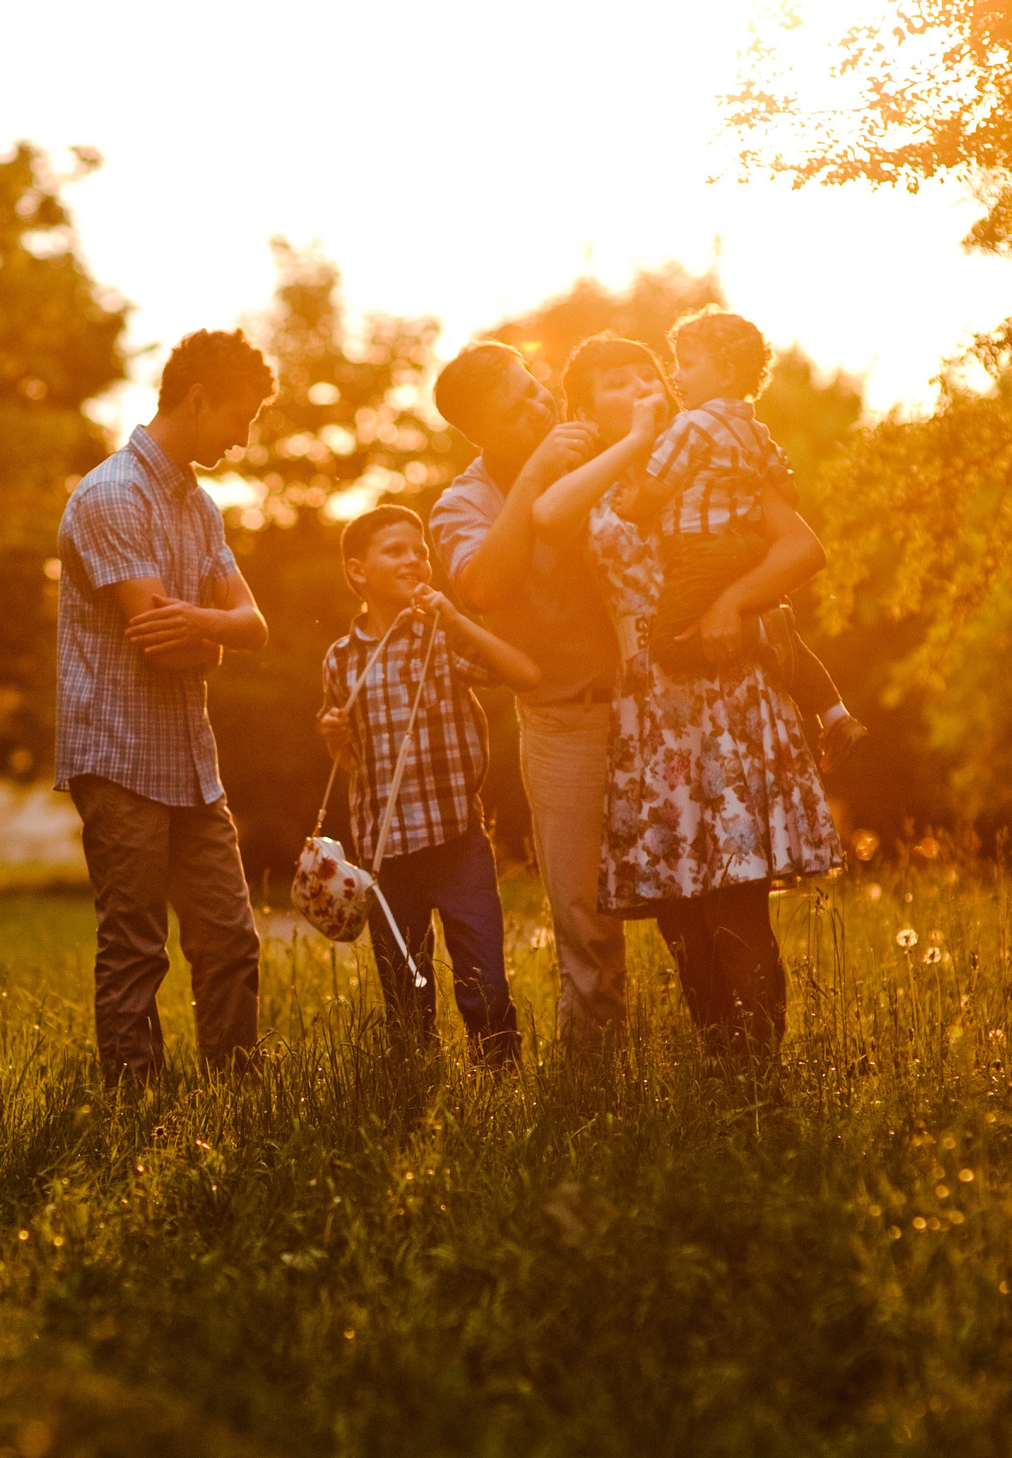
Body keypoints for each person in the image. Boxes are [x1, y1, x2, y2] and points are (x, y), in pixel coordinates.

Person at [532, 335, 845, 1053]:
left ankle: (761, 1078)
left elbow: (802, 548)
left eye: (648, 373)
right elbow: (548, 518)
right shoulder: (597, 476)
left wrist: (731, 602)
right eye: (617, 381)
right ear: (585, 407)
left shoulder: (711, 454)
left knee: (734, 896)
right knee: (678, 910)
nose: (643, 384)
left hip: (725, 695)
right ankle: (719, 1067)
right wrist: (637, 437)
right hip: (647, 710)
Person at [54, 329, 276, 1085]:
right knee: (135, 945)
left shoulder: (201, 507)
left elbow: (255, 626)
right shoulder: (113, 495)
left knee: (229, 938)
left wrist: (206, 632)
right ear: (198, 398)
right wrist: (215, 637)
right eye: (238, 419)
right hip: (117, 753)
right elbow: (160, 642)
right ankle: (134, 1115)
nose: (243, 441)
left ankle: (235, 1101)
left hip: (187, 756)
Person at [429, 342, 627, 1048]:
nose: (543, 404)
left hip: (656, 708)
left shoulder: (599, 447)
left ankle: (724, 1072)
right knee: (585, 922)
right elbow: (484, 587)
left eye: (536, 387)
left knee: (690, 900)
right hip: (563, 725)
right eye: (520, 406)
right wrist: (538, 475)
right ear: (481, 432)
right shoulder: (461, 504)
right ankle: (595, 1093)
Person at [317, 504, 542, 1062]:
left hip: (456, 840)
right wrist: (333, 737)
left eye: (420, 550)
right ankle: (416, 1075)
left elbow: (523, 674)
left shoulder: (441, 636)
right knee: (404, 985)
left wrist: (456, 619)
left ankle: (497, 1074)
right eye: (396, 551)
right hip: (385, 854)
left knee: (484, 978)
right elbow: (350, 763)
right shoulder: (342, 659)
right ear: (358, 572)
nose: (415, 559)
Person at [615, 305, 868, 767]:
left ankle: (763, 631)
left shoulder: (689, 425)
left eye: (687, 364)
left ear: (726, 371)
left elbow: (654, 491)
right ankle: (833, 712)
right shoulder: (757, 431)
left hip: (700, 550)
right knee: (785, 636)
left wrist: (628, 502)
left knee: (668, 647)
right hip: (748, 549)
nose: (675, 375)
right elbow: (787, 493)